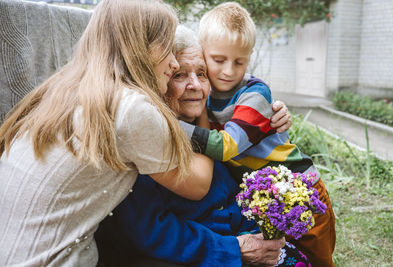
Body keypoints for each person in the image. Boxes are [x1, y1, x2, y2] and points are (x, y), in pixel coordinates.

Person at [0, 1, 214, 266]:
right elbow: (198, 185)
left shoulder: (65, 88)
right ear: (138, 44)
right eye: (166, 47)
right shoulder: (131, 108)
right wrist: (207, 119)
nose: (172, 61)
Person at [95, 25, 311, 267]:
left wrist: (271, 110)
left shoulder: (216, 121)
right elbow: (149, 231)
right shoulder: (142, 138)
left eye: (202, 73)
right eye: (179, 75)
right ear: (157, 79)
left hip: (250, 238)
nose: (196, 86)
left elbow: (247, 96)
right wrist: (233, 249)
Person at [177, 2, 336, 267]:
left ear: (250, 56)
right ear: (202, 51)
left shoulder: (254, 94)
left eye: (239, 61)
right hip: (265, 195)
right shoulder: (205, 92)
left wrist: (167, 126)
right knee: (283, 255)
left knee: (318, 257)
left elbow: (227, 147)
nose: (228, 71)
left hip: (301, 189)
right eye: (218, 60)